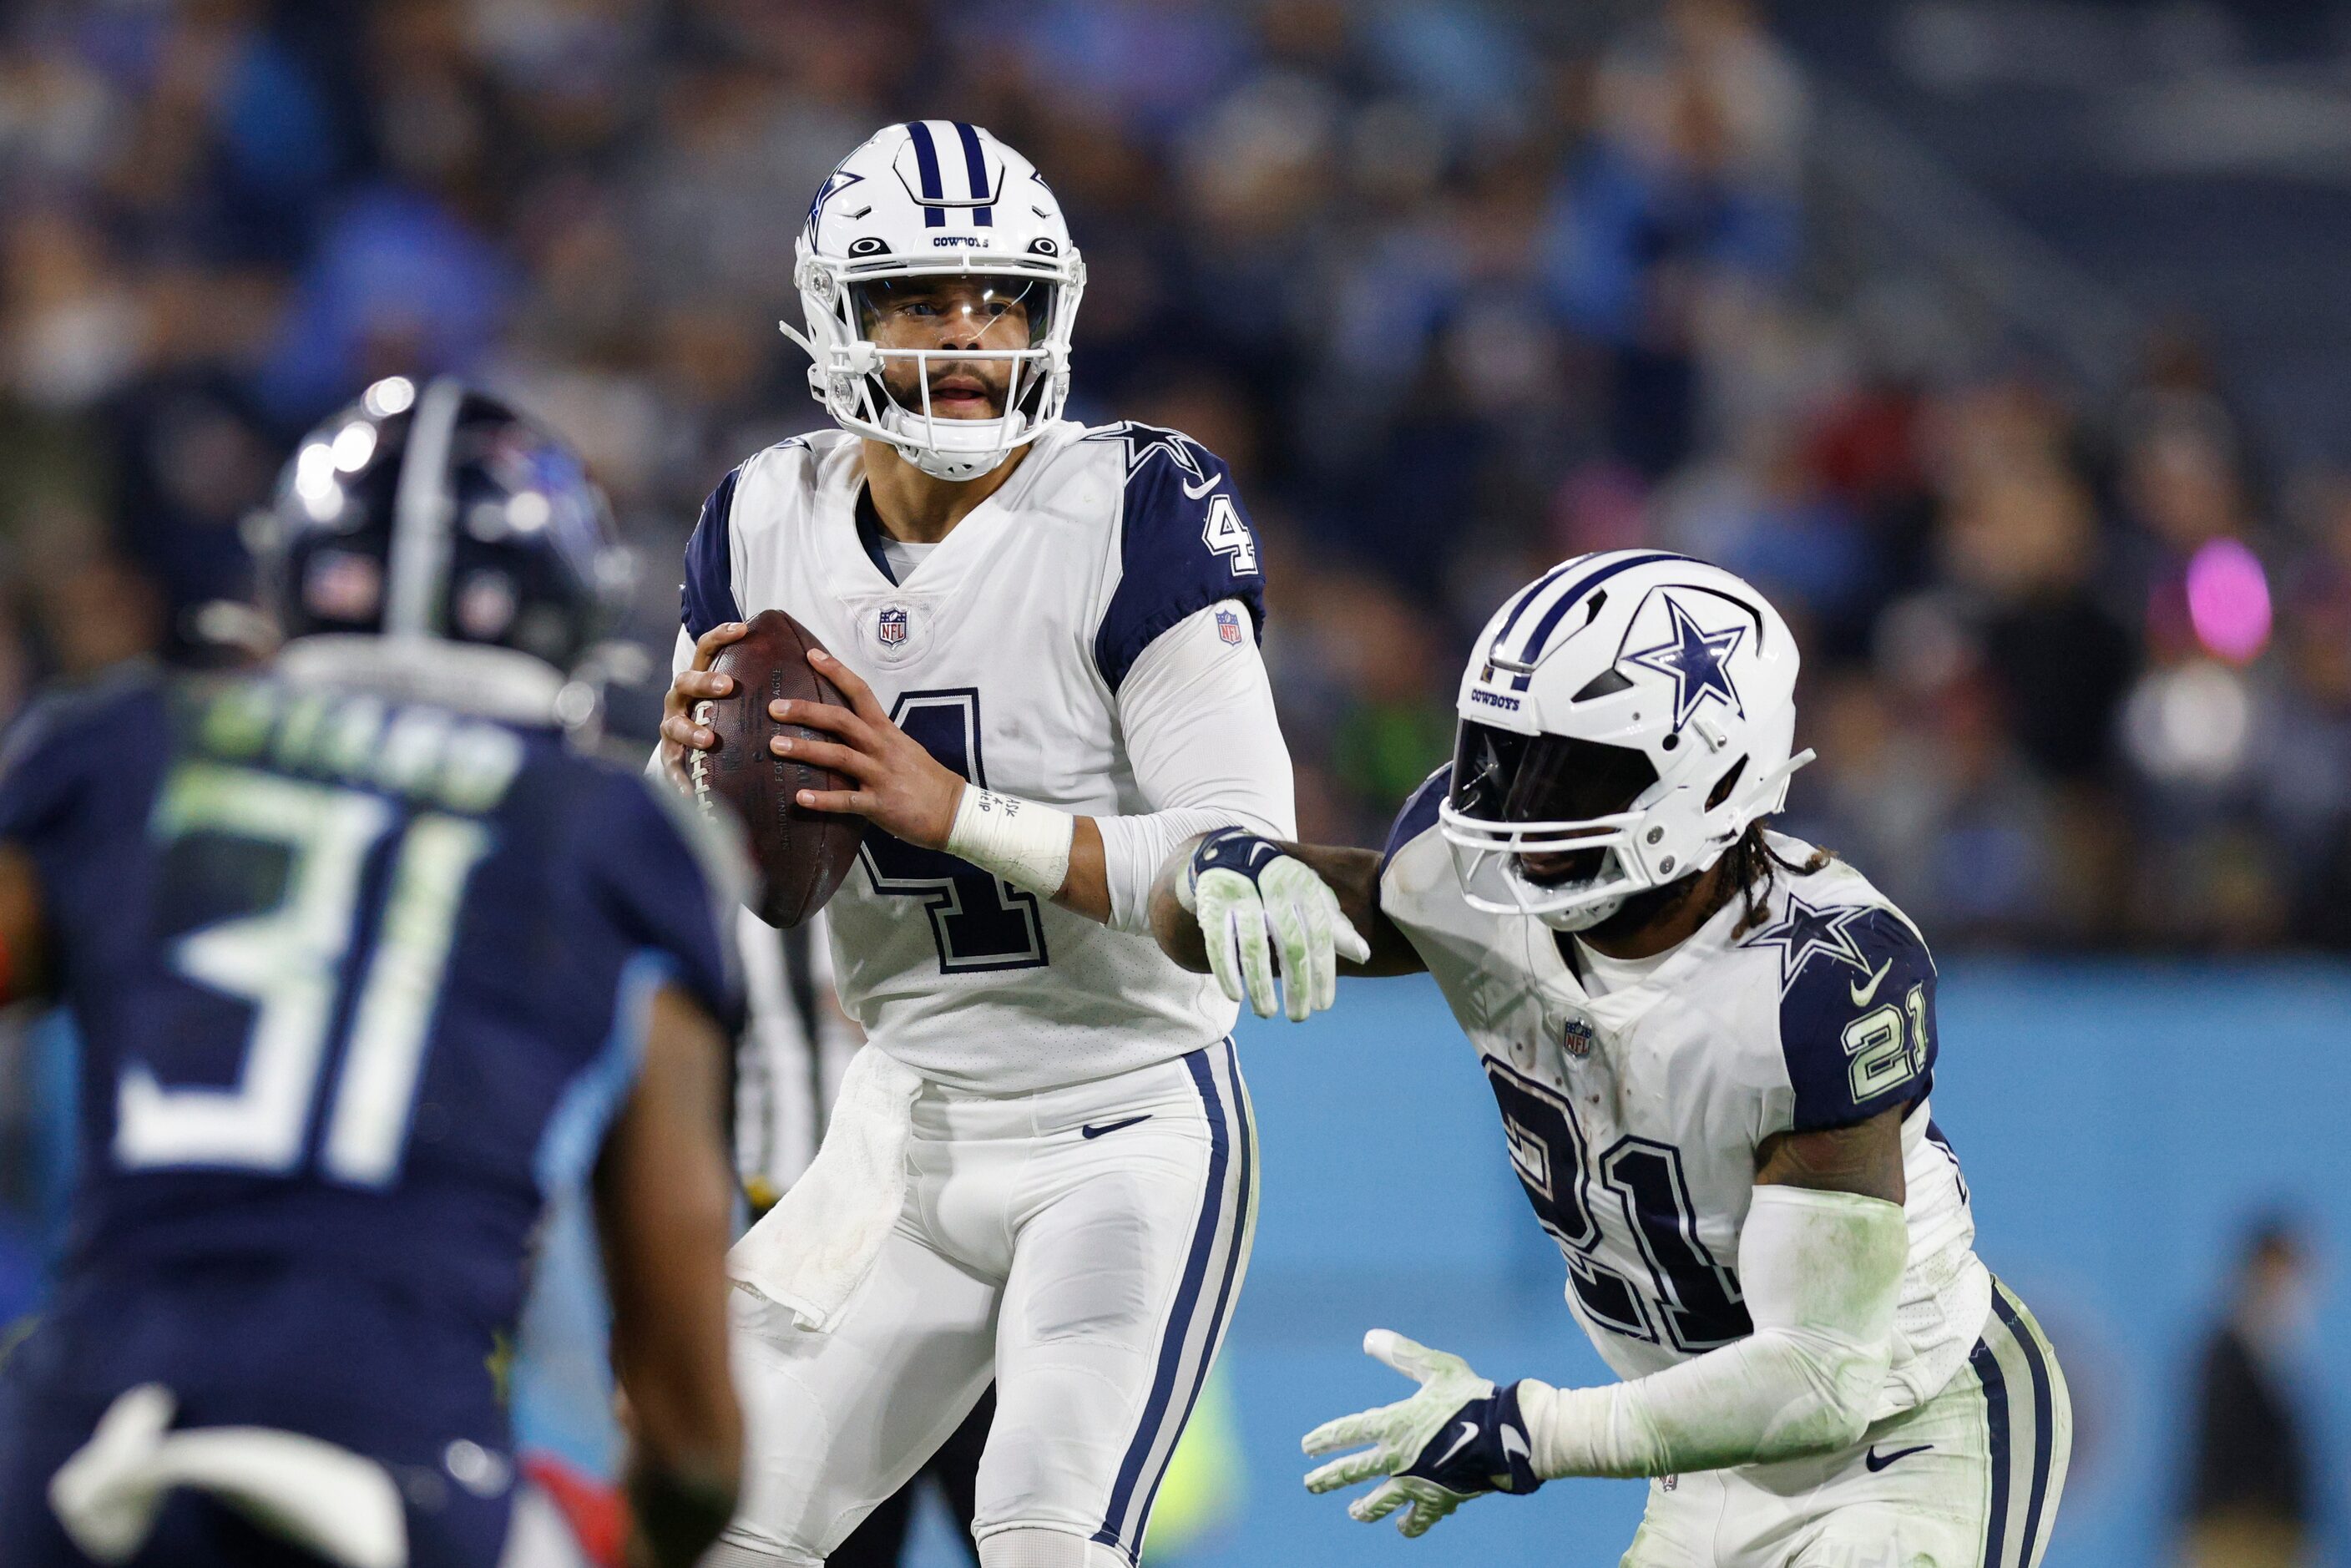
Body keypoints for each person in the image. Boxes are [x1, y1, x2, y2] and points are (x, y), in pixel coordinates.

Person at [1151, 551, 2071, 1565]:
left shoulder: (1820, 981)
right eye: (1506, 756)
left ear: (1711, 774)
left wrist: (1529, 1429)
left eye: (1574, 772)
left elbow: (1818, 1375)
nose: (1519, 810)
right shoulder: (1461, 875)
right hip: (1705, 1450)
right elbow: (1204, 914)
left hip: (1903, 1428)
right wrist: (1207, 866)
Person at [655, 123, 1300, 1568]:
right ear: (838, 314)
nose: (967, 333)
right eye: (921, 299)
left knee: (1044, 1540)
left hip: (1121, 1122)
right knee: (715, 1531)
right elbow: (703, 865)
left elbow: (1240, 863)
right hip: (902, 1123)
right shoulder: (760, 516)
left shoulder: (1137, 503)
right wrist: (678, 762)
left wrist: (946, 809)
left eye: (999, 298)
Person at [0, 377, 745, 1568]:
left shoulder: (129, 746)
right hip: (403, 1472)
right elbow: (695, 1440)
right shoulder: (609, 840)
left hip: (88, 1435)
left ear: (282, 587)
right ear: (566, 621)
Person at [2179, 1216, 2320, 1568]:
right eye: (2279, 1272)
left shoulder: (2273, 1355)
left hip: (2274, 1533)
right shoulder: (2226, 1354)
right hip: (2236, 1532)